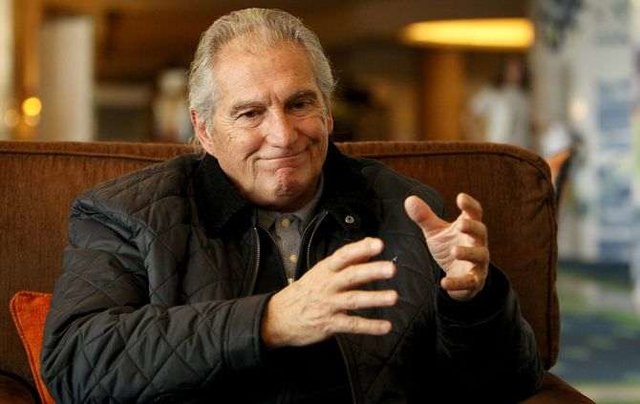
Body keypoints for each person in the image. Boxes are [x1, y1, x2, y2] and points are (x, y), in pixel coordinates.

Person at [41, 8, 543, 403]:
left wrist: (473, 302)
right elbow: (75, 365)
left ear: (327, 112)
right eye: (250, 113)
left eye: (299, 104)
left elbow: (507, 383)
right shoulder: (125, 216)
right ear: (204, 130)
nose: (283, 135)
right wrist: (270, 320)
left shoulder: (410, 209)